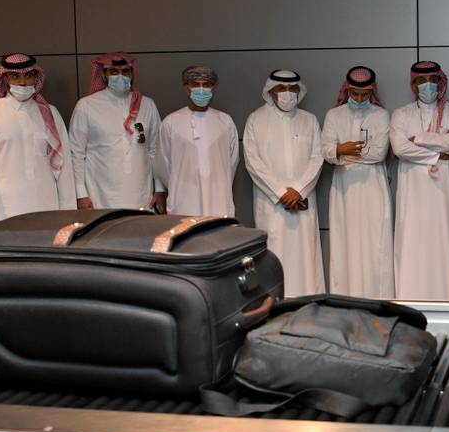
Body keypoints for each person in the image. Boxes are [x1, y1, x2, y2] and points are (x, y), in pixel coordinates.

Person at [243, 69, 325, 297]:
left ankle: (309, 304)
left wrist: (298, 189)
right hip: (272, 204)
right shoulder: (256, 119)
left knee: (305, 256)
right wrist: (280, 192)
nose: (287, 93)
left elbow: (317, 158)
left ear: (300, 91)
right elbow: (252, 161)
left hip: (302, 200)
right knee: (273, 253)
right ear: (271, 90)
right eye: (282, 88)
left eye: (292, 89)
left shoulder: (309, 120)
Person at [390, 60, 449, 300]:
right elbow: (400, 148)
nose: (427, 86)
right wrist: (437, 153)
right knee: (412, 244)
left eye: (432, 80)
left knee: (446, 246)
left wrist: (417, 138)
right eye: (421, 81)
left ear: (440, 82)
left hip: (444, 190)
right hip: (413, 192)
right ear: (413, 85)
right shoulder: (401, 114)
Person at [0, 54, 75, 224]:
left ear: (36, 77)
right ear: (5, 78)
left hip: (47, 204)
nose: (22, 82)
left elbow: (65, 165)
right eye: (15, 76)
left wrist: (68, 212)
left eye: (28, 76)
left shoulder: (50, 112)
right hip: (7, 208)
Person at [321, 66, 394, 298]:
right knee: (345, 242)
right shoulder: (334, 115)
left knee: (376, 243)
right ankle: (345, 299)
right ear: (347, 91)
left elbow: (379, 153)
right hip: (343, 188)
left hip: (374, 186)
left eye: (365, 95)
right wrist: (338, 151)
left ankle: (378, 299)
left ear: (371, 93)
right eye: (355, 94)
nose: (360, 99)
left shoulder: (381, 115)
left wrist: (343, 151)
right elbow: (326, 151)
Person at [69, 52, 165, 212]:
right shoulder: (86, 106)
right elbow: (77, 153)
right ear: (104, 74)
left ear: (131, 73)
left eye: (125, 71)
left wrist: (160, 189)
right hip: (99, 198)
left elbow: (155, 149)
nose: (120, 76)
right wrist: (80, 194)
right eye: (114, 72)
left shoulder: (147, 104)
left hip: (142, 197)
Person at [155, 65, 239, 218]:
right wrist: (180, 184)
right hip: (184, 200)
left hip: (218, 198)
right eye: (196, 85)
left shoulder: (225, 121)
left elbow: (232, 162)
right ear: (187, 88)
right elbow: (163, 164)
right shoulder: (171, 122)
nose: (202, 89)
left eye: (206, 85)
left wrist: (218, 182)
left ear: (213, 88)